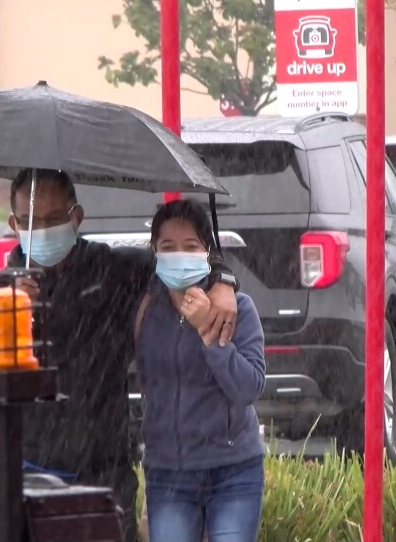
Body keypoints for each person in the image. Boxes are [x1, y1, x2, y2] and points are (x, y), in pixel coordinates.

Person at [0, 168, 239, 542]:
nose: (43, 230)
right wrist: (7, 324)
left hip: (104, 476)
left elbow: (184, 263)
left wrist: (224, 281)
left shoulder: (114, 271)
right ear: (14, 224)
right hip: (22, 474)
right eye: (32, 221)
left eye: (55, 219)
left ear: (77, 218)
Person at [134, 200, 265, 542]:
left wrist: (210, 333)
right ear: (154, 252)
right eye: (168, 247)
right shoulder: (145, 309)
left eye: (190, 246)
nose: (179, 255)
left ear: (208, 251)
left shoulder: (238, 309)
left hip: (233, 470)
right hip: (168, 473)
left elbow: (249, 388)